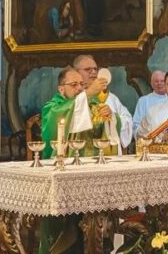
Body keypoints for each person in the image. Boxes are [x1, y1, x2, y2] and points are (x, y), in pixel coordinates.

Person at [39, 67, 106, 254]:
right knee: (62, 227)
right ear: (61, 89)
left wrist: (108, 118)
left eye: (82, 85)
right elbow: (58, 119)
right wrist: (87, 94)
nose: (79, 88)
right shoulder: (52, 107)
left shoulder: (88, 104)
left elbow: (99, 134)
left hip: (87, 173)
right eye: (74, 85)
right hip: (59, 173)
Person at [72, 54, 133, 154]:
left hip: (108, 154)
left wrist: (112, 117)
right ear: (76, 72)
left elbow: (127, 119)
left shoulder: (110, 97)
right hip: (82, 153)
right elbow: (68, 117)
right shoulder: (73, 95)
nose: (93, 72)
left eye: (95, 69)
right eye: (88, 69)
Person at [132, 70, 167, 137]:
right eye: (156, 81)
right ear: (151, 83)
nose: (159, 83)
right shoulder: (143, 101)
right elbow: (136, 125)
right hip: (149, 140)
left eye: (162, 81)